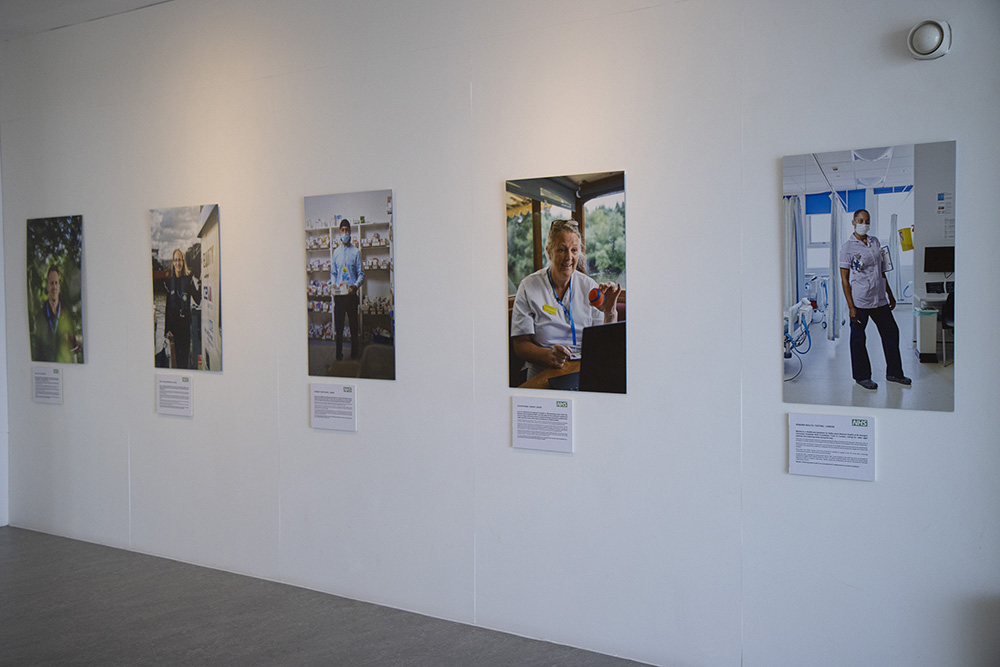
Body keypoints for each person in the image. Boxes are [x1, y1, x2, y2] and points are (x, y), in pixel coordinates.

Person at [510, 219, 622, 380]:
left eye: (574, 250)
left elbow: (606, 344)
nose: (569, 257)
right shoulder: (528, 286)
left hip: (584, 371)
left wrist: (610, 312)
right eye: (562, 250)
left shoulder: (589, 286)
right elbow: (520, 345)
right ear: (549, 251)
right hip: (543, 372)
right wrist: (548, 356)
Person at [839, 209, 911, 390]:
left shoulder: (875, 242)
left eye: (867, 220)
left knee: (891, 334)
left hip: (879, 300)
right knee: (857, 339)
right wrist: (851, 307)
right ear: (853, 222)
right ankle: (862, 377)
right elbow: (844, 280)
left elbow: (881, 272)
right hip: (860, 301)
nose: (864, 223)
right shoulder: (847, 248)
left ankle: (894, 373)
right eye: (860, 220)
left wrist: (890, 294)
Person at [32, 265, 81, 363]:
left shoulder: (67, 317)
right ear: (47, 286)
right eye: (51, 283)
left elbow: (74, 355)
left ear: (59, 286)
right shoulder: (39, 317)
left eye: (56, 283)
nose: (54, 286)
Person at [163, 248, 201, 369]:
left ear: (183, 262)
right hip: (174, 329)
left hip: (185, 327)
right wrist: (166, 330)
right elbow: (167, 307)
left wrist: (199, 281)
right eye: (175, 260)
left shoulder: (188, 280)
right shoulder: (169, 282)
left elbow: (198, 298)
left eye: (180, 260)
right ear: (173, 263)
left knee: (184, 360)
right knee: (176, 361)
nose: (178, 263)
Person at [331, 220, 364, 360]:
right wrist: (333, 284)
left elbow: (361, 274)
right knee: (339, 328)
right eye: (342, 230)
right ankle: (338, 355)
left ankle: (355, 354)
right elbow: (333, 273)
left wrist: (355, 286)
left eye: (347, 230)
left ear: (350, 232)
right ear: (339, 232)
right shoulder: (336, 252)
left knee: (353, 326)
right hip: (339, 296)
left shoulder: (356, 252)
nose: (344, 233)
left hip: (351, 296)